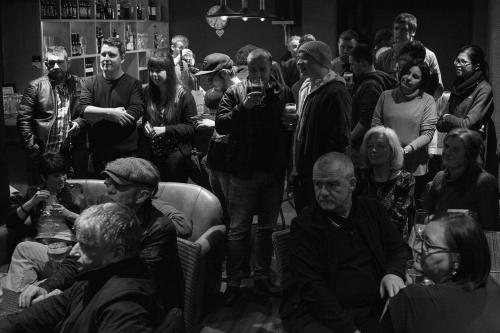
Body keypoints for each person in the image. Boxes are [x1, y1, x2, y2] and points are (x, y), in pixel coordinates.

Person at [17, 157, 184, 313]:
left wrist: (65, 293)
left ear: (142, 195)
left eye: (117, 185)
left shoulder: (160, 228)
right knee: (28, 304)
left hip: (137, 307)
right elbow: (78, 258)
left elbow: (137, 280)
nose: (108, 188)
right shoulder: (107, 207)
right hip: (101, 290)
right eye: (108, 181)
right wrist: (47, 286)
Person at [281, 152, 412, 333]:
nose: (323, 192)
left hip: (373, 305)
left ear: (352, 184)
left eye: (332, 185)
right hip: (319, 311)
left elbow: (399, 249)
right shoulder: (305, 225)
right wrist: (348, 329)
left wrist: (394, 273)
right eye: (318, 185)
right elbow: (313, 288)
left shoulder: (372, 210)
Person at [0, 203, 164, 332]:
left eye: (85, 246)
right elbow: (43, 313)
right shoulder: (92, 276)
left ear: (116, 253)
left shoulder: (126, 306)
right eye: (77, 242)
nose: (74, 251)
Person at [216, 48, 293, 304]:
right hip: (243, 172)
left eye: (262, 69)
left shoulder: (283, 92)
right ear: (246, 70)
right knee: (238, 229)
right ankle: (235, 282)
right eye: (253, 70)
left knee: (267, 229)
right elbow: (221, 125)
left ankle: (262, 277)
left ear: (271, 68)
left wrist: (291, 123)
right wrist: (243, 108)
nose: (258, 75)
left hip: (273, 170)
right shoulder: (235, 92)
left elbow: (289, 130)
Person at [381, 213, 500, 333]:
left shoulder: (410, 300)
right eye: (420, 239)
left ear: (456, 259)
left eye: (427, 244)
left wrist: (397, 303)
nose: (416, 247)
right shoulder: (492, 284)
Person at [4, 152, 87, 292]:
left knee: (23, 249)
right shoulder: (34, 193)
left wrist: (68, 214)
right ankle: (18, 303)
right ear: (44, 177)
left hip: (68, 251)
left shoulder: (75, 192)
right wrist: (32, 202)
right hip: (43, 250)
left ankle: (14, 302)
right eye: (56, 176)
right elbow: (11, 223)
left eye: (64, 174)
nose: (63, 179)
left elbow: (92, 224)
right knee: (25, 276)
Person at [291, 40, 352, 213]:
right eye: (297, 58)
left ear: (320, 60)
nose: (298, 62)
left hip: (322, 176)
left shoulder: (336, 91)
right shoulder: (305, 87)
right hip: (303, 173)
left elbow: (340, 138)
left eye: (303, 58)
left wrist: (328, 175)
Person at [17, 46, 88, 184]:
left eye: (60, 62)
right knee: (42, 196)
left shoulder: (81, 84)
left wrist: (79, 122)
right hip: (44, 153)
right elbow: (23, 121)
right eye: (51, 63)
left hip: (71, 152)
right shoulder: (35, 86)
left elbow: (87, 112)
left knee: (74, 196)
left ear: (69, 63)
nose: (55, 66)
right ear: (46, 65)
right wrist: (33, 148)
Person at [371, 59, 437, 200]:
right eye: (407, 73)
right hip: (385, 161)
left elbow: (428, 134)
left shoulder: (427, 100)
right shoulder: (386, 96)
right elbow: (375, 125)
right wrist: (386, 148)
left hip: (413, 164)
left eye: (415, 76)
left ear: (421, 81)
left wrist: (405, 150)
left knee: (408, 207)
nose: (408, 78)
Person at [81, 37, 145, 176]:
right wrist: (111, 113)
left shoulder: (134, 84)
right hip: (96, 154)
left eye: (112, 55)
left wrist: (96, 115)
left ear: (122, 58)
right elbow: (84, 111)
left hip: (125, 156)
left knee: (124, 196)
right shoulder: (89, 83)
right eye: (103, 54)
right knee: (98, 196)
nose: (106, 58)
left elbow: (132, 115)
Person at [436, 45, 497, 177]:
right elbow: (439, 125)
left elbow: (467, 124)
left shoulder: (483, 89)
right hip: (452, 146)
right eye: (457, 60)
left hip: (470, 151)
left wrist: (447, 117)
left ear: (476, 66)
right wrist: (453, 120)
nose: (458, 64)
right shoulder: (458, 86)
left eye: (463, 62)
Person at [194, 53, 240, 226]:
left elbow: (242, 127)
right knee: (223, 208)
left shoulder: (240, 91)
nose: (210, 83)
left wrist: (212, 124)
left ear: (224, 74)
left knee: (232, 211)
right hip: (218, 157)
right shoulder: (225, 92)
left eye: (211, 78)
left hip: (229, 160)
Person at [423, 128, 500, 230]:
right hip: (440, 240)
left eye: (456, 149)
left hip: (471, 243)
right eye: (446, 146)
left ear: (469, 155)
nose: (447, 152)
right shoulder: (439, 177)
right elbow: (426, 216)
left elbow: (490, 229)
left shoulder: (484, 182)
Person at [141, 48, 197, 182]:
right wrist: (146, 125)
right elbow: (145, 118)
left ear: (169, 70)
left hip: (176, 154)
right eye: (151, 70)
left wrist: (165, 130)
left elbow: (191, 127)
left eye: (158, 71)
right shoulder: (147, 92)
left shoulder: (183, 94)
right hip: (152, 153)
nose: (154, 74)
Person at [357, 126, 415, 241]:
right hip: (362, 240)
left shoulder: (405, 179)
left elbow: (398, 220)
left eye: (380, 146)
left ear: (392, 150)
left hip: (392, 243)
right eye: (370, 146)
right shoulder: (360, 176)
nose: (373, 150)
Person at [349, 44, 397, 163]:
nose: (351, 68)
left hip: (365, 146)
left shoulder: (370, 86)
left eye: (352, 64)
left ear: (363, 63)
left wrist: (349, 139)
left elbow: (366, 120)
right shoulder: (379, 78)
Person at [376, 12, 443, 96]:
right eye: (396, 28)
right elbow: (378, 85)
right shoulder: (384, 57)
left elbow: (438, 89)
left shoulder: (429, 55)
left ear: (413, 31)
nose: (398, 32)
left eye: (404, 29)